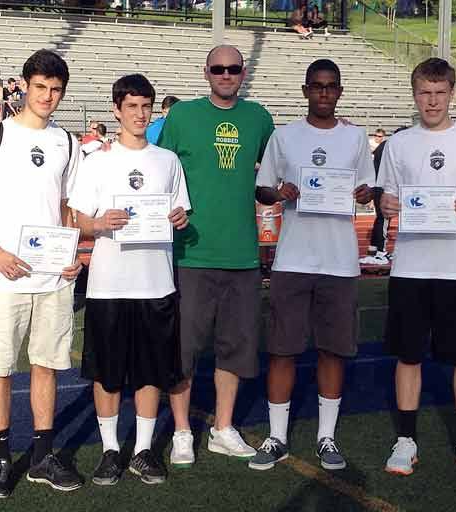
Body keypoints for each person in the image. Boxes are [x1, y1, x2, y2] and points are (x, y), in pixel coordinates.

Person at [0, 49, 83, 499]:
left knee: (46, 366)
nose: (48, 96)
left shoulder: (67, 142)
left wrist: (72, 250)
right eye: (40, 87)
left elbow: (70, 206)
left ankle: (43, 456)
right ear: (23, 86)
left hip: (52, 278)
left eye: (55, 90)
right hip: (4, 275)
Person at [249, 59, 374, 471]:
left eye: (331, 86)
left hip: (339, 261)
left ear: (340, 91)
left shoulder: (356, 139)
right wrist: (279, 191)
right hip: (293, 260)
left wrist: (363, 193)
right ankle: (276, 437)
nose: (324, 93)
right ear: (305, 90)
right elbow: (263, 189)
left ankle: (326, 437)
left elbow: (367, 190)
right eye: (317, 86)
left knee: (333, 351)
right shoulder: (285, 137)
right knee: (283, 351)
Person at [378, 58, 456, 478]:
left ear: (451, 94)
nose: (432, 101)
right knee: (408, 355)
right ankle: (406, 440)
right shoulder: (399, 144)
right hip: (410, 267)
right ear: (414, 94)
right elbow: (386, 198)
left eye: (439, 93)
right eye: (424, 93)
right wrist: (385, 203)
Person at [69, 73, 190, 486]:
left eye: (146, 106)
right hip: (108, 285)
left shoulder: (167, 160)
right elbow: (79, 219)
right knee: (107, 371)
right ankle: (109, 450)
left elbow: (180, 213)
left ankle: (141, 450)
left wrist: (179, 217)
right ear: (116, 110)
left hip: (156, 282)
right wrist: (100, 223)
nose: (140, 114)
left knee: (151, 369)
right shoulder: (97, 161)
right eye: (132, 106)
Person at [158, 45, 274, 466]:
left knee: (235, 347)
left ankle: (223, 428)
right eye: (219, 69)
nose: (227, 75)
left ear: (243, 74)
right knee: (184, 349)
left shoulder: (259, 118)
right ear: (205, 72)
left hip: (241, 253)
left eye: (234, 69)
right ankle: (183, 431)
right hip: (192, 253)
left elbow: (264, 179)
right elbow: (162, 173)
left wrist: (278, 192)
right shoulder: (183, 116)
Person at [360, 126, 409, 266]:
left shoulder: (384, 145)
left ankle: (373, 249)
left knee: (380, 218)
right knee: (384, 219)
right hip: (384, 186)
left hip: (378, 184)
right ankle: (381, 252)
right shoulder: (391, 146)